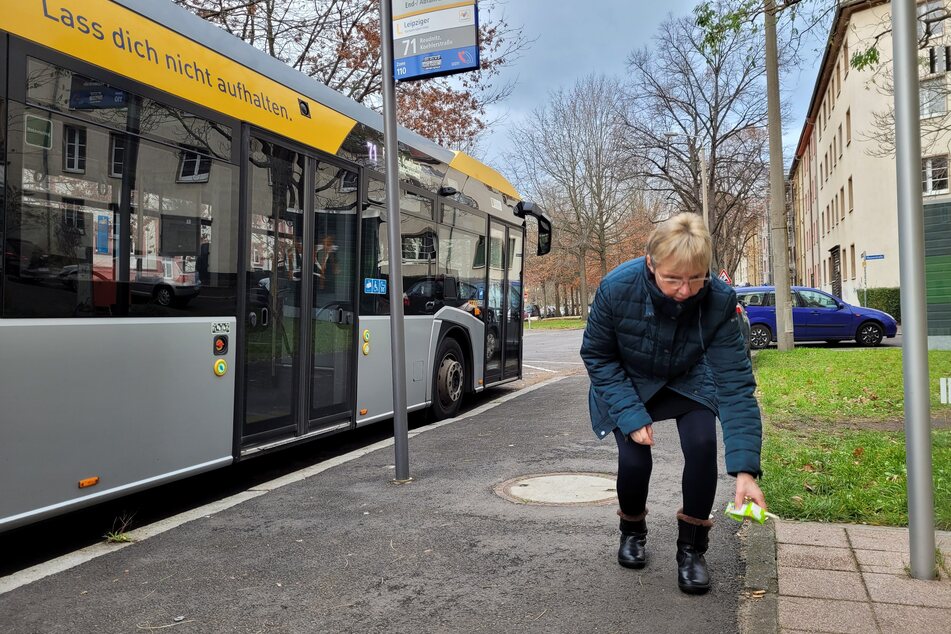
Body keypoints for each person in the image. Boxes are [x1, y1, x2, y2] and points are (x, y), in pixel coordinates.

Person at [580, 212, 766, 595]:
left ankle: (692, 551)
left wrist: (746, 470)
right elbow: (597, 356)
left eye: (695, 279)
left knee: (701, 445)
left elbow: (734, 384)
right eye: (673, 280)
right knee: (634, 459)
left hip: (687, 377)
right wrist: (631, 415)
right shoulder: (617, 288)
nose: (685, 291)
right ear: (651, 263)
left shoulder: (717, 300)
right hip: (627, 379)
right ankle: (632, 531)